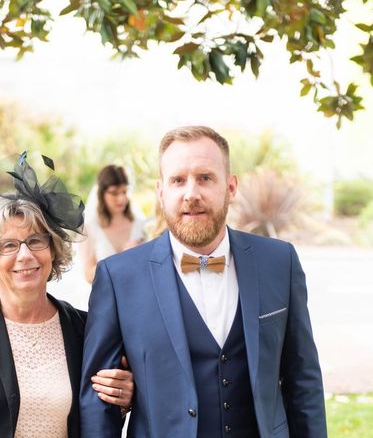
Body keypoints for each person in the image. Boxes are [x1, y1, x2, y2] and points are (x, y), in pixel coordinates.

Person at [80, 126, 327, 437]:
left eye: (205, 178)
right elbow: (99, 399)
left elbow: (303, 381)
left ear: (231, 187)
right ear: (161, 192)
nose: (191, 194)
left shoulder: (279, 262)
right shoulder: (118, 277)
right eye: (178, 180)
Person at [0, 152, 134, 438]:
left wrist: (125, 397)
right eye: (8, 245)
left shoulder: (85, 329)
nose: (25, 255)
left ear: (53, 249)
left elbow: (98, 415)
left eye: (35, 241)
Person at [81, 165, 145, 284]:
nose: (121, 198)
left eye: (124, 192)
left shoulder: (139, 223)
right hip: (107, 296)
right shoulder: (90, 227)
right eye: (114, 193)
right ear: (102, 194)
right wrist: (122, 259)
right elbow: (88, 275)